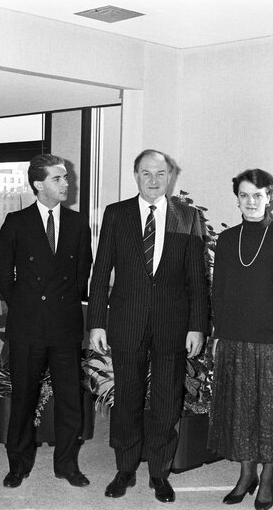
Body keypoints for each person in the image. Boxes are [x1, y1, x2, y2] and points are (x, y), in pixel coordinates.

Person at [87, 149, 209, 504]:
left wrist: (197, 326)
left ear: (170, 176)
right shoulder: (117, 213)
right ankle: (125, 469)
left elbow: (197, 279)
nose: (153, 180)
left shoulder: (187, 217)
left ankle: (159, 472)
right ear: (135, 175)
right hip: (127, 320)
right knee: (126, 398)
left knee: (167, 401)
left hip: (173, 322)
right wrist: (96, 322)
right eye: (146, 173)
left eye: (160, 173)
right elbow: (100, 272)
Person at [0, 154, 93, 489]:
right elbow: (3, 275)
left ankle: (66, 464)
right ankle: (17, 464)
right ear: (38, 184)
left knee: (69, 400)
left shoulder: (79, 224)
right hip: (28, 325)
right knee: (23, 398)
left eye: (66, 178)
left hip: (64, 325)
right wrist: (25, 305)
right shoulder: (16, 222)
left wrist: (59, 304)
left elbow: (82, 274)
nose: (67, 184)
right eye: (58, 178)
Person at [208, 169, 273, 509]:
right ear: (237, 199)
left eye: (257, 195)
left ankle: (269, 479)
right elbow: (221, 292)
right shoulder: (228, 240)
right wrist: (219, 333)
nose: (250, 202)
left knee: (269, 414)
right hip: (234, 340)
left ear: (269, 196)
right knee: (239, 411)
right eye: (244, 196)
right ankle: (247, 475)